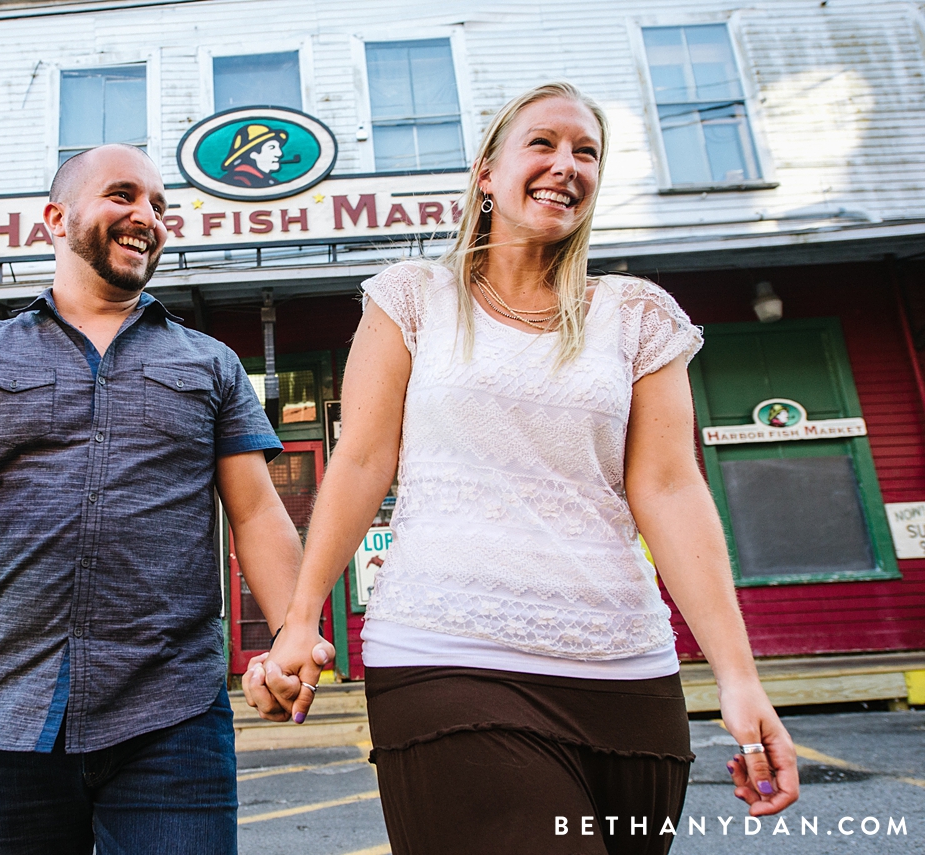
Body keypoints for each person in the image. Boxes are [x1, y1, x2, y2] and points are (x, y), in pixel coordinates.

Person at [244, 82, 800, 854]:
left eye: (586, 151)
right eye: (542, 143)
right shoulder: (414, 299)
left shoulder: (638, 316)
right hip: (447, 653)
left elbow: (670, 490)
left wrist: (739, 679)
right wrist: (300, 618)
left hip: (628, 672)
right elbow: (363, 460)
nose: (565, 164)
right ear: (486, 175)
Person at [0, 144, 305, 855]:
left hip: (170, 711)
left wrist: (291, 632)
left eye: (159, 206)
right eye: (123, 195)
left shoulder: (210, 362)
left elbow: (256, 512)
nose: (147, 216)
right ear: (56, 219)